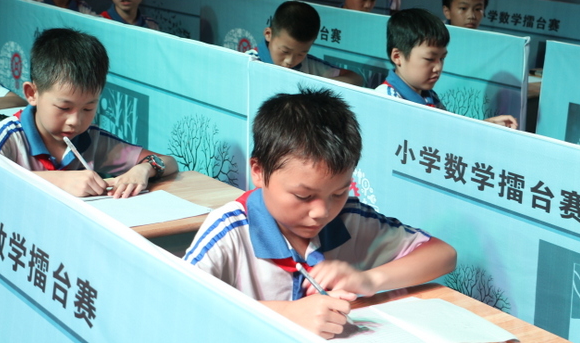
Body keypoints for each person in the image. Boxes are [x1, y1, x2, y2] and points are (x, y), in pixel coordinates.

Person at [184, 88, 457, 338]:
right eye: (304, 196)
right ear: (258, 171)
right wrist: (284, 315)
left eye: (339, 193)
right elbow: (180, 301)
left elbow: (443, 254)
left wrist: (369, 279)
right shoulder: (229, 230)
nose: (322, 211)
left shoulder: (349, 218)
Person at [0, 28, 178, 197]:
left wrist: (144, 169)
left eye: (88, 108)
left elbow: (169, 162)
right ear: (32, 93)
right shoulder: (9, 136)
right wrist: (59, 181)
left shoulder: (92, 139)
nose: (75, 121)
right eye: (64, 108)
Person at [375, 8, 518, 128]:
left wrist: (485, 126)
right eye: (430, 59)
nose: (438, 67)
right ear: (397, 56)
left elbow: (450, 133)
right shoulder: (385, 101)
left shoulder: (430, 97)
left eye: (442, 58)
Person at [248, 1, 364, 86]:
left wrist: (318, 85)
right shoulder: (249, 61)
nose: (290, 61)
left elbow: (356, 78)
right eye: (285, 51)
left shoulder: (308, 64)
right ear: (268, 34)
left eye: (301, 54)